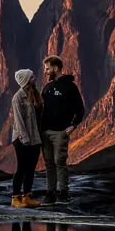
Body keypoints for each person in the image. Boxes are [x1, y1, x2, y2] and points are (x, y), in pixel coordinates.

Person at [40, 55, 85, 204]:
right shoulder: (47, 88)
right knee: (49, 163)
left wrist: (73, 125)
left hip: (60, 132)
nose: (45, 72)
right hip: (45, 132)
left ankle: (63, 193)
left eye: (47, 68)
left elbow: (80, 108)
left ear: (55, 68)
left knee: (60, 161)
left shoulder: (70, 87)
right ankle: (50, 193)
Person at [9, 68, 44, 208]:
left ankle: (27, 196)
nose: (34, 79)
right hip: (22, 139)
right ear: (25, 80)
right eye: (31, 77)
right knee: (21, 168)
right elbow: (19, 121)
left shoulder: (35, 94)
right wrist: (25, 140)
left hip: (35, 138)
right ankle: (15, 198)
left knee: (31, 168)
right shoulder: (18, 98)